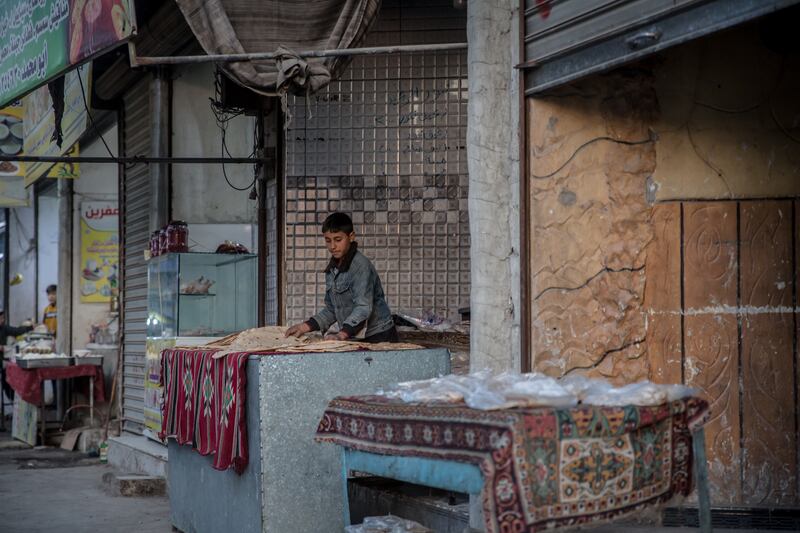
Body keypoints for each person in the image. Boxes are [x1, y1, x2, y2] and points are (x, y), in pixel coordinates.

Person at [286, 212, 398, 343]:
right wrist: (304, 326)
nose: (332, 246)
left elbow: (363, 307)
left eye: (338, 240)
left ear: (351, 237)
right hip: (355, 334)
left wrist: (342, 335)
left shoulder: (361, 266)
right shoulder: (332, 270)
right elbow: (332, 309)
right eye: (328, 240)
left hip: (380, 335)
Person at [0, 310, 33, 404]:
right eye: (1, 318)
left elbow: (16, 331)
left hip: (3, 360)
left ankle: (13, 402)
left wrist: (30, 327)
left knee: (7, 382)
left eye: (3, 318)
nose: (2, 320)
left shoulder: (4, 328)